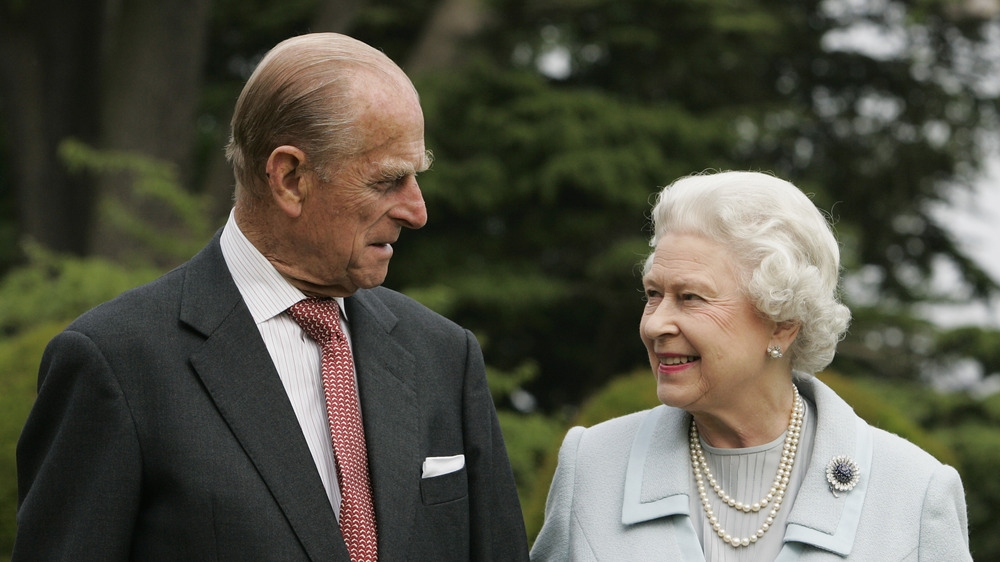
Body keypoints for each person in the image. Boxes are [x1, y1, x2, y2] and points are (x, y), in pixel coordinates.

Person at [14, 33, 529, 561]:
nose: (416, 211)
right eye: (388, 180)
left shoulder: (444, 355)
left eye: (416, 177)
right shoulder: (115, 363)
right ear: (289, 177)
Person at [530, 171, 971, 560]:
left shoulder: (914, 492)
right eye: (652, 294)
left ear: (781, 324)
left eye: (691, 297)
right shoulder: (592, 466)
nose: (656, 323)